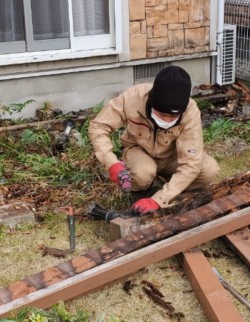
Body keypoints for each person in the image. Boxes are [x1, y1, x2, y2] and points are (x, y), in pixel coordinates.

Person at [89, 65, 219, 214]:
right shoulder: (133, 97)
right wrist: (111, 163)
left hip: (172, 155)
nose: (167, 119)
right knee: (142, 174)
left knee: (209, 170)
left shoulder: (190, 111)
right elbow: (98, 126)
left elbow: (191, 163)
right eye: (162, 114)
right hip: (139, 150)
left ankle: (179, 199)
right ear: (152, 103)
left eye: (173, 116)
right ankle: (141, 193)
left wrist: (160, 199)